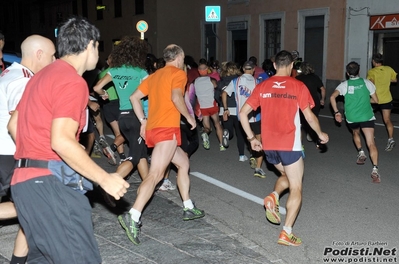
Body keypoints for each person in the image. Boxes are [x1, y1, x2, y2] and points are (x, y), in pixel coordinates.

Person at [7, 17, 129, 263]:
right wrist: (104, 178)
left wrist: (36, 154)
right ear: (90, 45)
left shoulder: (38, 78)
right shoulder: (72, 80)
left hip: (24, 185)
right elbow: (61, 141)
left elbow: (13, 125)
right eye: (98, 47)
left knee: (43, 258)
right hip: (51, 186)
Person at [239, 50, 329, 246]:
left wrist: (251, 138)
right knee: (297, 186)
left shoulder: (262, 86)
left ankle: (273, 196)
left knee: (287, 176)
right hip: (290, 143)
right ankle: (286, 232)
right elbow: (309, 116)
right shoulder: (298, 85)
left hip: (269, 145)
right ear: (291, 66)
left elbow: (243, 114)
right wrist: (320, 135)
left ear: (273, 65)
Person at [120, 44, 205, 245]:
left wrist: (143, 120)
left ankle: (188, 206)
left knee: (183, 163)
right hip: (167, 130)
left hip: (154, 129)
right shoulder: (178, 73)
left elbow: (134, 97)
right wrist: (189, 118)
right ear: (179, 57)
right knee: (156, 174)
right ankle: (132, 215)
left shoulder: (155, 75)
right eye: (183, 57)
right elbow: (177, 97)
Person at [0, 34, 55, 264]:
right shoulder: (24, 80)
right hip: (11, 154)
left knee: (31, 208)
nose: (55, 61)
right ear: (39, 55)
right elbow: (19, 122)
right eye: (52, 56)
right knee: (37, 204)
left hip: (6, 152)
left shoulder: (9, 73)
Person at [94, 36, 150, 207]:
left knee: (140, 154)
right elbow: (150, 91)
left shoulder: (114, 70)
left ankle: (148, 185)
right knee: (134, 157)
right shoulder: (140, 72)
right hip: (136, 117)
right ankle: (110, 186)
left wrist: (103, 94)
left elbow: (96, 88)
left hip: (122, 117)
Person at [331, 61, 380, 183]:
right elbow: (376, 101)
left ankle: (361, 151)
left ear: (347, 73)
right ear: (359, 71)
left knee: (355, 133)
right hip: (367, 116)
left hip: (352, 117)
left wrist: (337, 112)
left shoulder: (344, 85)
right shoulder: (367, 83)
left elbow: (332, 97)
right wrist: (366, 101)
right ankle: (375, 169)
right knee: (371, 143)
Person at [223, 61, 267, 178]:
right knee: (259, 141)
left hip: (242, 117)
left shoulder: (235, 81)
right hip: (256, 116)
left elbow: (224, 93)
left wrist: (226, 108)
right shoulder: (258, 82)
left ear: (242, 69)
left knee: (249, 137)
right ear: (253, 70)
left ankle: (252, 152)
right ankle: (258, 168)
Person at [366, 53, 398, 151]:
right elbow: (395, 80)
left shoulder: (372, 71)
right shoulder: (389, 69)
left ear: (374, 62)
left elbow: (371, 83)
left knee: (369, 118)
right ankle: (391, 139)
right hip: (387, 98)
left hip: (374, 99)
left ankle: (372, 137)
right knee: (387, 119)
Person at [194, 62, 225, 151]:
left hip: (202, 107)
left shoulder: (195, 81)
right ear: (207, 70)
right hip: (212, 106)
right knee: (217, 124)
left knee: (207, 128)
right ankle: (221, 145)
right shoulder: (211, 80)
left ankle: (205, 133)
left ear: (199, 71)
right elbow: (217, 88)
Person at [296, 62, 326, 146]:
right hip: (314, 102)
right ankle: (315, 136)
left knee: (300, 123)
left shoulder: (297, 78)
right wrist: (322, 99)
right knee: (314, 118)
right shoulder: (315, 77)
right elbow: (323, 89)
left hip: (301, 102)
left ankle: (300, 144)